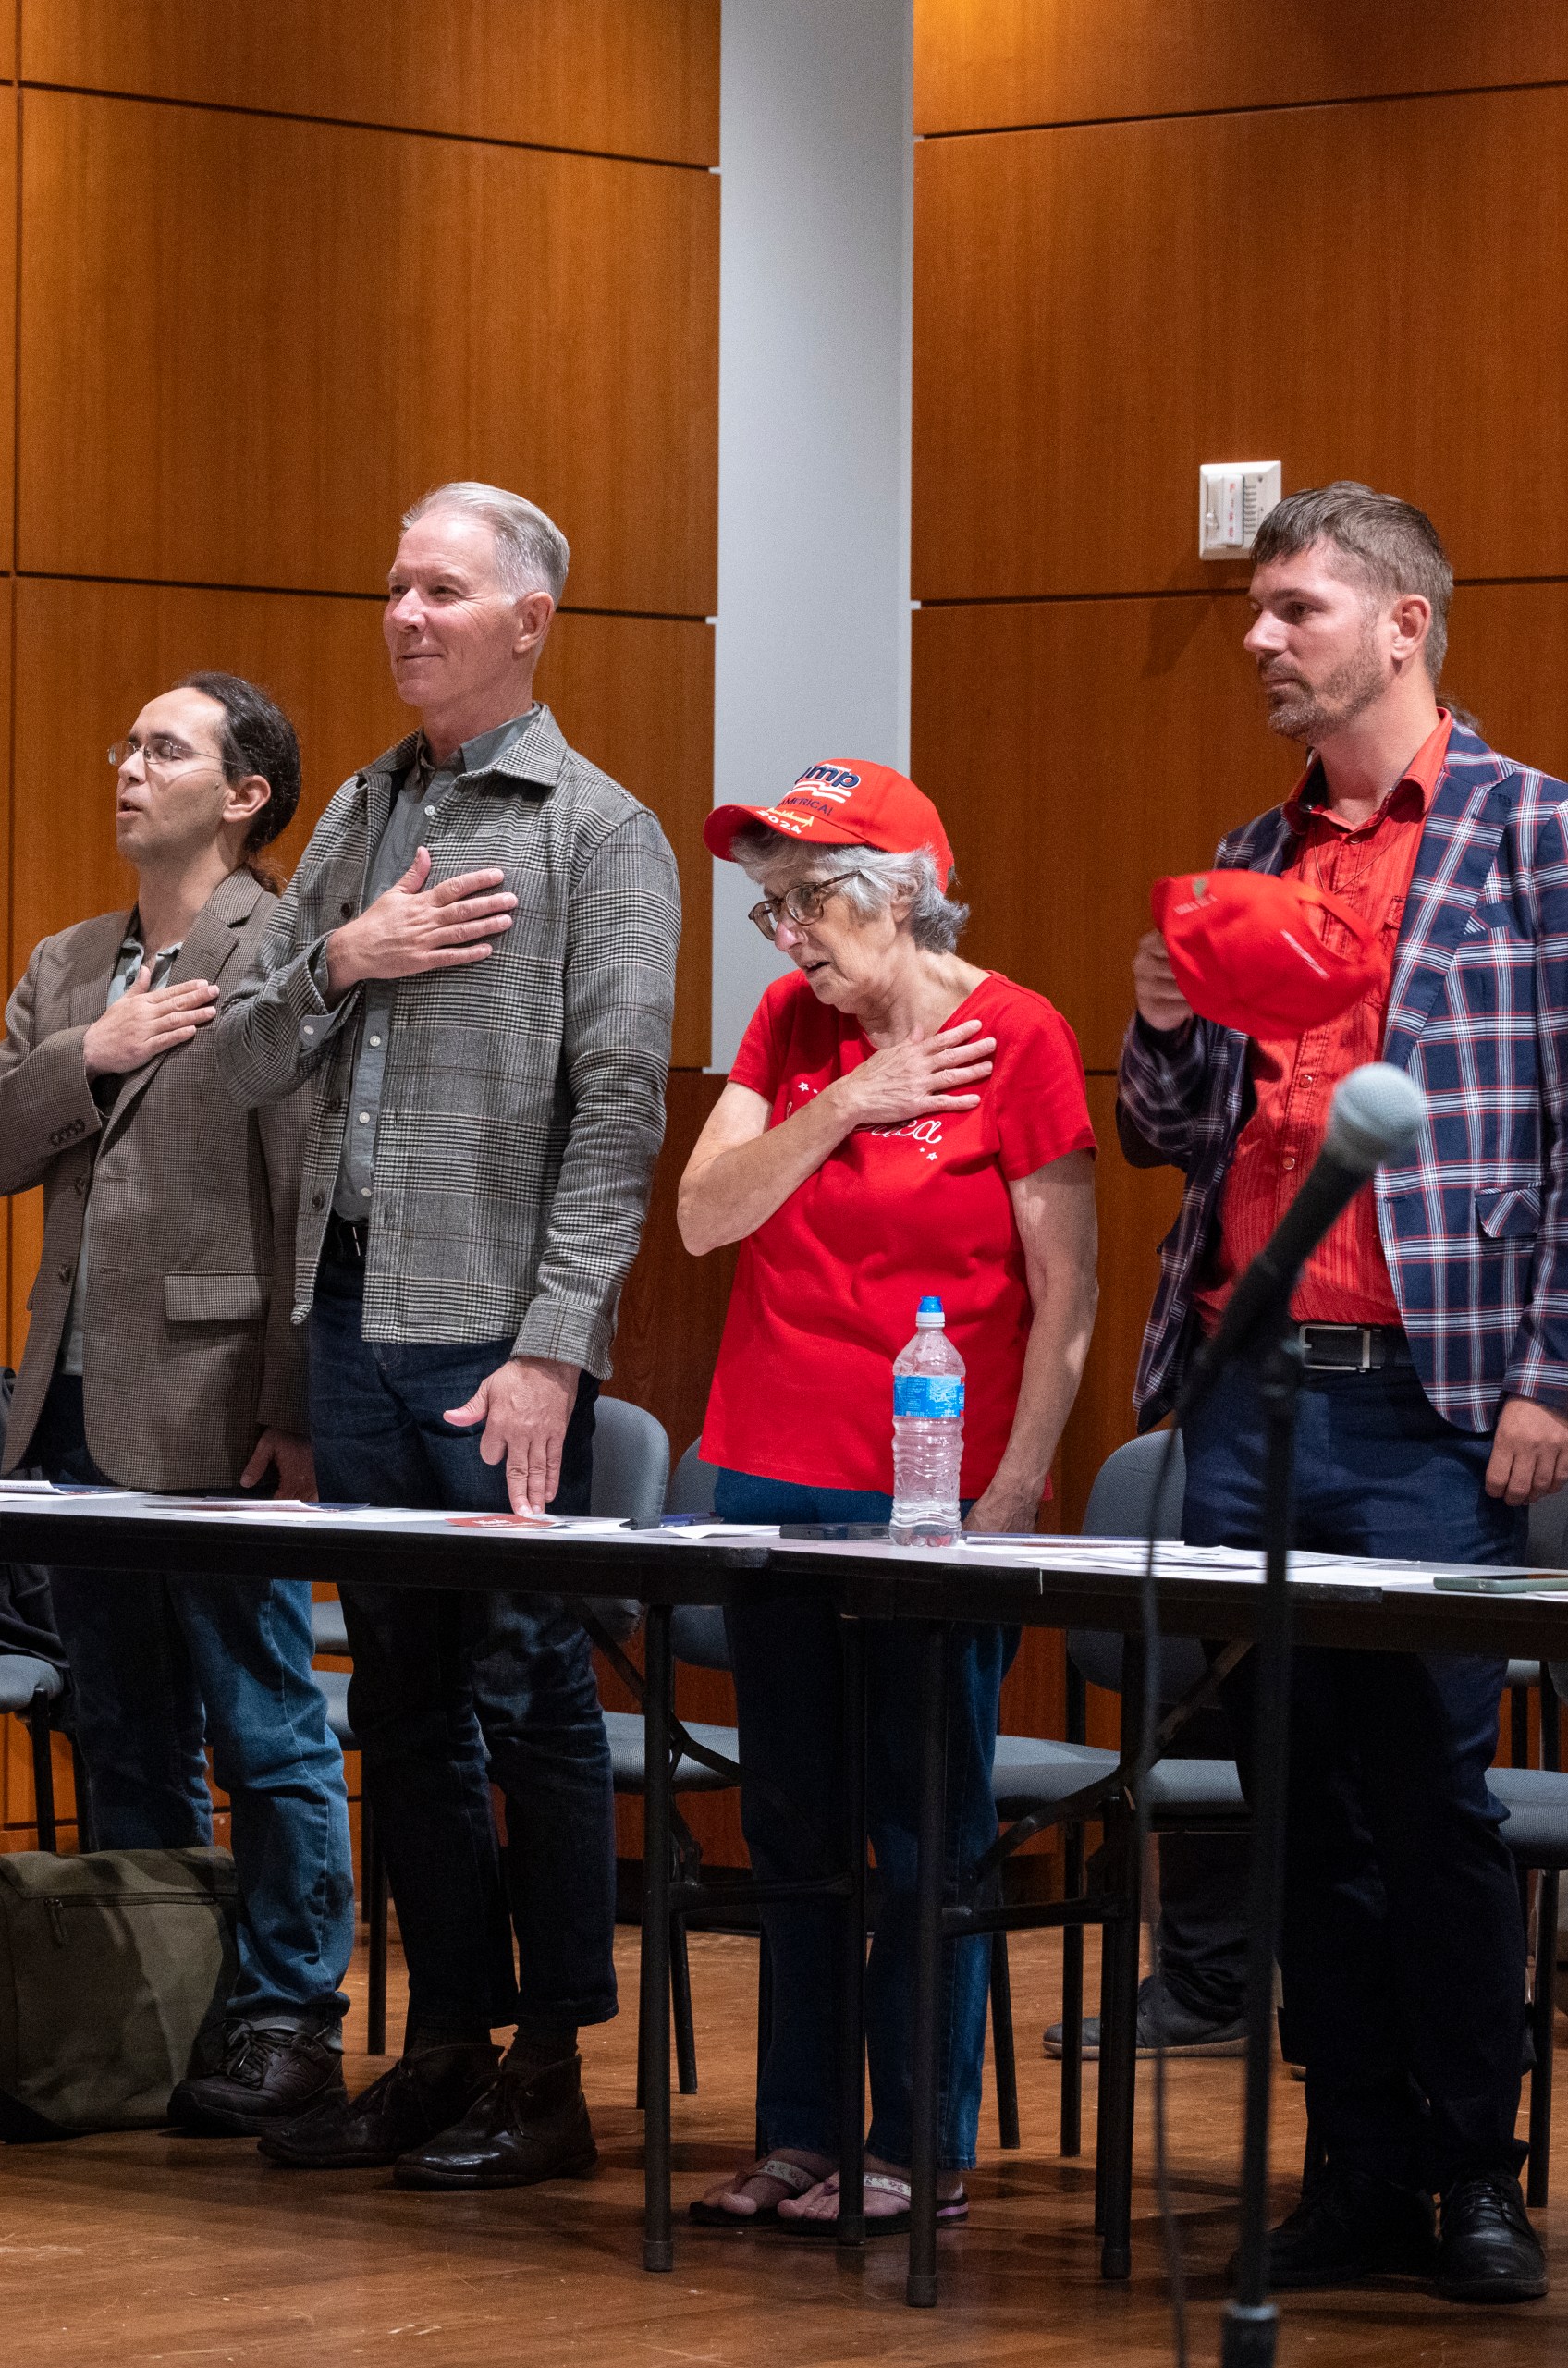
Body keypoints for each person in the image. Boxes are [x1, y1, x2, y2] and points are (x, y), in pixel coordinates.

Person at [1121, 483, 1568, 2306]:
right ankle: (1349, 2162)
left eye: (1295, 608)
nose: (1262, 639)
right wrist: (1172, 1017)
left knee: (1433, 1797)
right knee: (1299, 1802)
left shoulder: (1540, 838)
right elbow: (1168, 1136)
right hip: (1255, 1393)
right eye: (1259, 612)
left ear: (1404, 621)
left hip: (1436, 1401)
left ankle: (1470, 2174)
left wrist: (1559, 1377)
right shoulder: (1248, 849)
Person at [220, 481, 678, 2190]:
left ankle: (554, 2065)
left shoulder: (592, 833)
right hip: (351, 1316)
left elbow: (619, 1113)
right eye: (394, 585)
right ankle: (441, 2043)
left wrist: (558, 1348)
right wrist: (346, 952)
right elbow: (251, 1054)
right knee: (400, 1699)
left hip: (493, 1334)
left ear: (530, 621)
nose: (405, 615)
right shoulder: (358, 809)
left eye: (443, 590)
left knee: (529, 1693)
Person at [675, 763, 1096, 2234]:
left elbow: (1069, 1295)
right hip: (770, 1473)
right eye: (769, 903)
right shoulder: (795, 1029)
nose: (785, 933)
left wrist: (1018, 1481)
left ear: (901, 889)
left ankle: (919, 2143)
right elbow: (703, 1212)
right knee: (789, 1825)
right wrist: (848, 1099)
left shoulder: (1020, 1032)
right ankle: (796, 2132)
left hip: (931, 1503)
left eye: (808, 899)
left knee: (925, 1829)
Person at [0, 670, 353, 2136]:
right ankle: (162, 1998)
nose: (126, 765)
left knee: (263, 1720)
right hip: (64, 1402)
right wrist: (91, 1054)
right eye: (122, 741)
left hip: (211, 1393)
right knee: (121, 1723)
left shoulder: (289, 946)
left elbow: (307, 1188)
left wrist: (295, 1402)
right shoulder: (71, 963)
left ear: (245, 795)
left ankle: (288, 2005)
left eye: (163, 748)